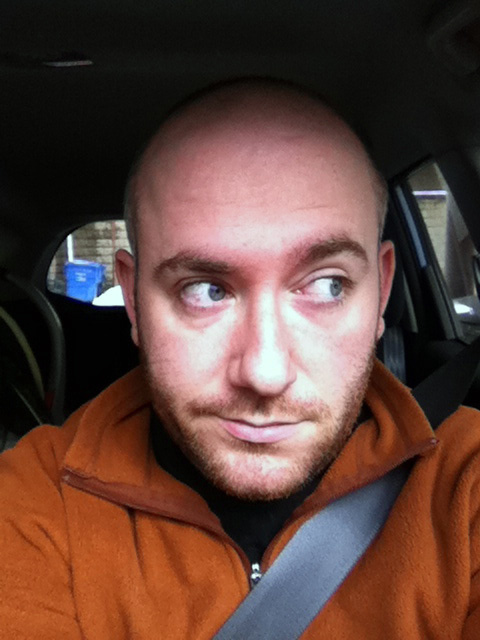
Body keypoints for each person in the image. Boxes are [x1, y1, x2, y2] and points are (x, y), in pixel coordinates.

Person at [1, 78, 479, 639]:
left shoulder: (465, 485)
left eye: (326, 285)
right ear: (132, 300)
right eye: (205, 290)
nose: (264, 372)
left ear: (382, 291)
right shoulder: (33, 499)